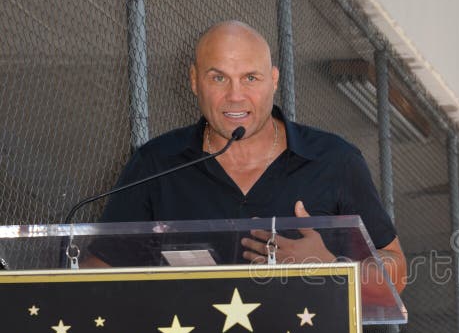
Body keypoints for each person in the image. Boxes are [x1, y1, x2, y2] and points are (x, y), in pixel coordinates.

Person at [97, 20, 405, 292]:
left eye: (250, 78)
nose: (235, 95)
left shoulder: (335, 161)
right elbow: (97, 270)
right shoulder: (156, 164)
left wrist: (328, 266)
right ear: (194, 81)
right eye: (218, 78)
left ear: (274, 79)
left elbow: (397, 271)